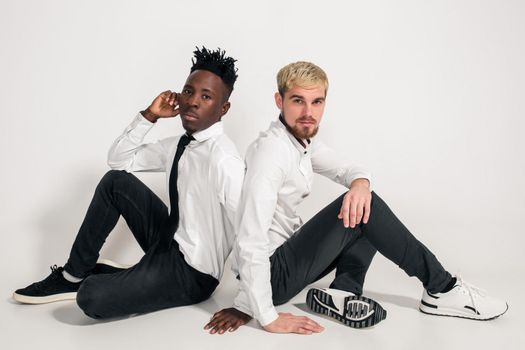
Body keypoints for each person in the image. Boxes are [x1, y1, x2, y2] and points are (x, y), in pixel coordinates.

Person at [204, 61, 508, 335]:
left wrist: (360, 184)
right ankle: (442, 288)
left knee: (361, 203)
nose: (309, 112)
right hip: (272, 275)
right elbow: (250, 238)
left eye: (317, 101)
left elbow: (350, 169)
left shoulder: (301, 143)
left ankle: (343, 292)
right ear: (279, 101)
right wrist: (263, 313)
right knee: (369, 208)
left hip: (283, 263)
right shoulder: (272, 154)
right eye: (298, 101)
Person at [13, 47, 245, 320]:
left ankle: (119, 276)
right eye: (188, 91)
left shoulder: (224, 159)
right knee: (116, 182)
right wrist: (150, 115)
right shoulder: (180, 145)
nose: (193, 101)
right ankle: (72, 275)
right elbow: (118, 161)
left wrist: (247, 306)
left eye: (206, 97)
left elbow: (247, 228)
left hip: (192, 274)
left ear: (223, 108)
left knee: (91, 298)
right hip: (167, 244)